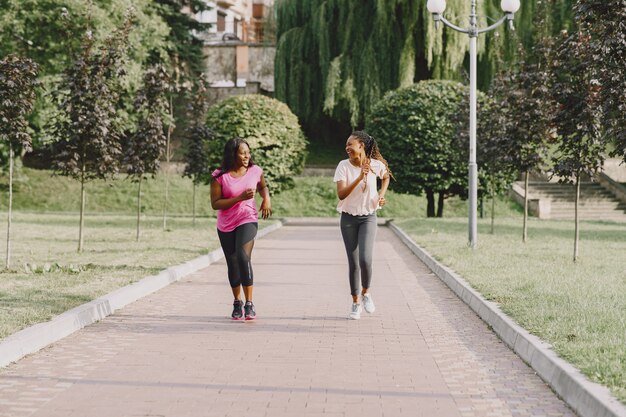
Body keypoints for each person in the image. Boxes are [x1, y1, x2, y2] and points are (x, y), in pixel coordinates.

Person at [211, 138, 272, 320]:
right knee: (232, 262)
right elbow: (215, 204)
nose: (247, 156)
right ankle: (237, 302)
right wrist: (239, 198)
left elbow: (263, 186)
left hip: (247, 218)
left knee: (243, 257)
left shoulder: (255, 171)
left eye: (248, 152)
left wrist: (266, 198)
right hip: (226, 224)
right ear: (232, 154)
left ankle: (249, 303)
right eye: (242, 153)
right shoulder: (219, 176)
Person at [333, 131, 391, 320]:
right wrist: (359, 177)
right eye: (346, 145)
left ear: (361, 146)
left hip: (368, 217)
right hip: (348, 218)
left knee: (366, 259)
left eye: (351, 144)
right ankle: (355, 302)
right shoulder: (343, 166)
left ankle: (366, 293)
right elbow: (341, 195)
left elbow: (386, 176)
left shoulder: (376, 165)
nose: (347, 148)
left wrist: (381, 195)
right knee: (354, 262)